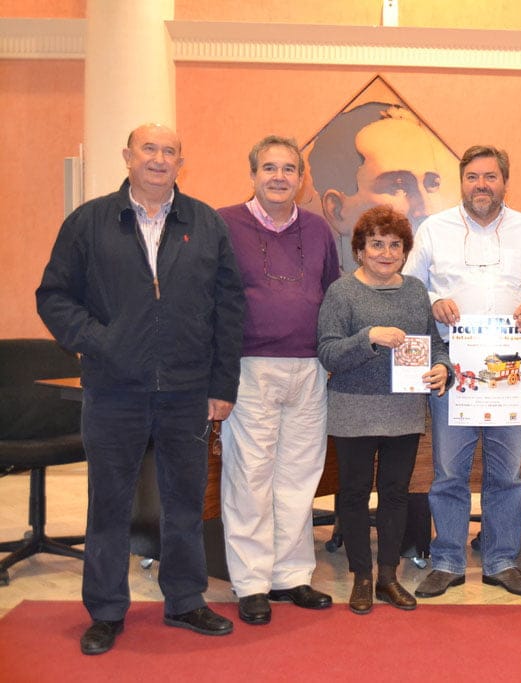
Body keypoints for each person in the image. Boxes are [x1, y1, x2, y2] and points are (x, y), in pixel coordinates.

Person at [36, 124, 246, 655]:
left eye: (169, 150)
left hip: (187, 391)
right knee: (108, 504)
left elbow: (229, 308)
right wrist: (99, 341)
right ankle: (106, 611)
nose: (158, 158)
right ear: (128, 156)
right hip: (113, 390)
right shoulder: (89, 222)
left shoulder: (206, 223)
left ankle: (184, 600)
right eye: (148, 149)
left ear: (182, 161)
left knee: (183, 502)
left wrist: (222, 384)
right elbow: (54, 296)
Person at [403, 145, 521, 598]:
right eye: (473, 177)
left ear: (505, 182)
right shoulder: (435, 229)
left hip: (511, 363)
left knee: (506, 471)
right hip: (453, 364)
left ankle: (501, 559)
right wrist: (433, 301)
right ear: (462, 181)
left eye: (490, 177)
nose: (481, 185)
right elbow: (412, 284)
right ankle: (448, 559)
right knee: (449, 469)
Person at [217, 135, 340, 626]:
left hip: (309, 368)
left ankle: (291, 575)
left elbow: (331, 294)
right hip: (250, 368)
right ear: (252, 174)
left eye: (289, 169)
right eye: (269, 168)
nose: (279, 177)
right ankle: (251, 582)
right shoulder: (223, 224)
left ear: (301, 178)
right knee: (249, 478)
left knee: (298, 477)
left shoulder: (318, 229)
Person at [317, 205, 451, 614]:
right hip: (353, 412)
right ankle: (361, 576)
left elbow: (436, 344)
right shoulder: (341, 292)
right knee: (354, 495)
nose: (386, 252)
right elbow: (327, 352)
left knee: (396, 496)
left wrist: (442, 368)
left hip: (404, 412)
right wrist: (368, 337)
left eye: (395, 245)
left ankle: (388, 576)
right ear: (359, 249)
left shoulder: (414, 291)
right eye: (376, 244)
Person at [308, 103, 460, 273]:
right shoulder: (329, 290)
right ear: (337, 209)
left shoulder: (439, 286)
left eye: (431, 184)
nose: (426, 210)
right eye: (398, 185)